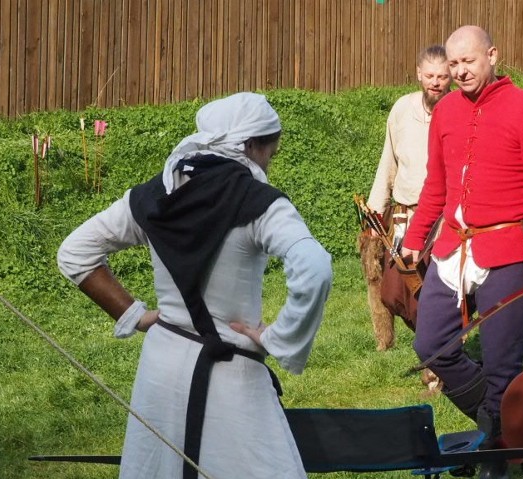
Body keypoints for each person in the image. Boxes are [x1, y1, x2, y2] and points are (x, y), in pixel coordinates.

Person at [57, 92, 332, 479]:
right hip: (231, 377)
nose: (270, 160)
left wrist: (137, 316)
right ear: (249, 145)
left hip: (162, 365)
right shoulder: (261, 203)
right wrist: (280, 338)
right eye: (270, 150)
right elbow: (316, 267)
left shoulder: (157, 193)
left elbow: (74, 253)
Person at [401, 25, 523, 478]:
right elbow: (436, 184)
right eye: (452, 64)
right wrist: (416, 237)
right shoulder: (447, 112)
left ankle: (500, 458)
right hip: (452, 246)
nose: (458, 72)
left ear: (492, 56)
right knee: (432, 346)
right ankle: (517, 422)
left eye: (468, 62)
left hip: (507, 251)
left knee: (502, 363)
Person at [361, 44, 452, 352]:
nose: (435, 82)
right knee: (393, 290)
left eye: (442, 76)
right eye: (430, 75)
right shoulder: (401, 109)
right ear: (418, 74)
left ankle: (438, 354)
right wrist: (375, 214)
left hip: (443, 219)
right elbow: (388, 162)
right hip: (403, 216)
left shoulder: (457, 112)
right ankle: (433, 344)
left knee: (436, 289)